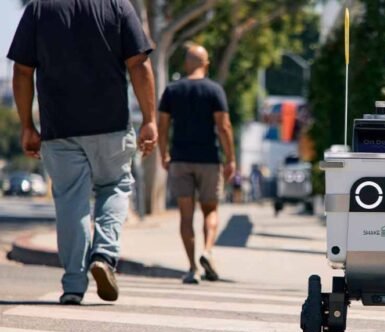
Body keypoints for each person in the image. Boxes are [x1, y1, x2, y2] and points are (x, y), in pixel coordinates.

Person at [7, 0, 157, 304]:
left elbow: (23, 71)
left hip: (59, 129)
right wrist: (150, 120)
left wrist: (27, 126)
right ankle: (104, 254)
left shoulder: (39, 8)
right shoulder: (117, 6)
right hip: (111, 126)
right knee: (114, 186)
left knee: (71, 201)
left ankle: (74, 284)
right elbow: (139, 64)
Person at [158, 45, 236, 284]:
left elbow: (162, 126)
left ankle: (192, 268)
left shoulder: (172, 90)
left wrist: (164, 154)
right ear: (207, 63)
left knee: (185, 215)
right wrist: (231, 158)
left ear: (186, 64)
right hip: (208, 160)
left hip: (180, 159)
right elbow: (223, 127)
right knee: (210, 211)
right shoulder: (214, 90)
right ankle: (208, 250)